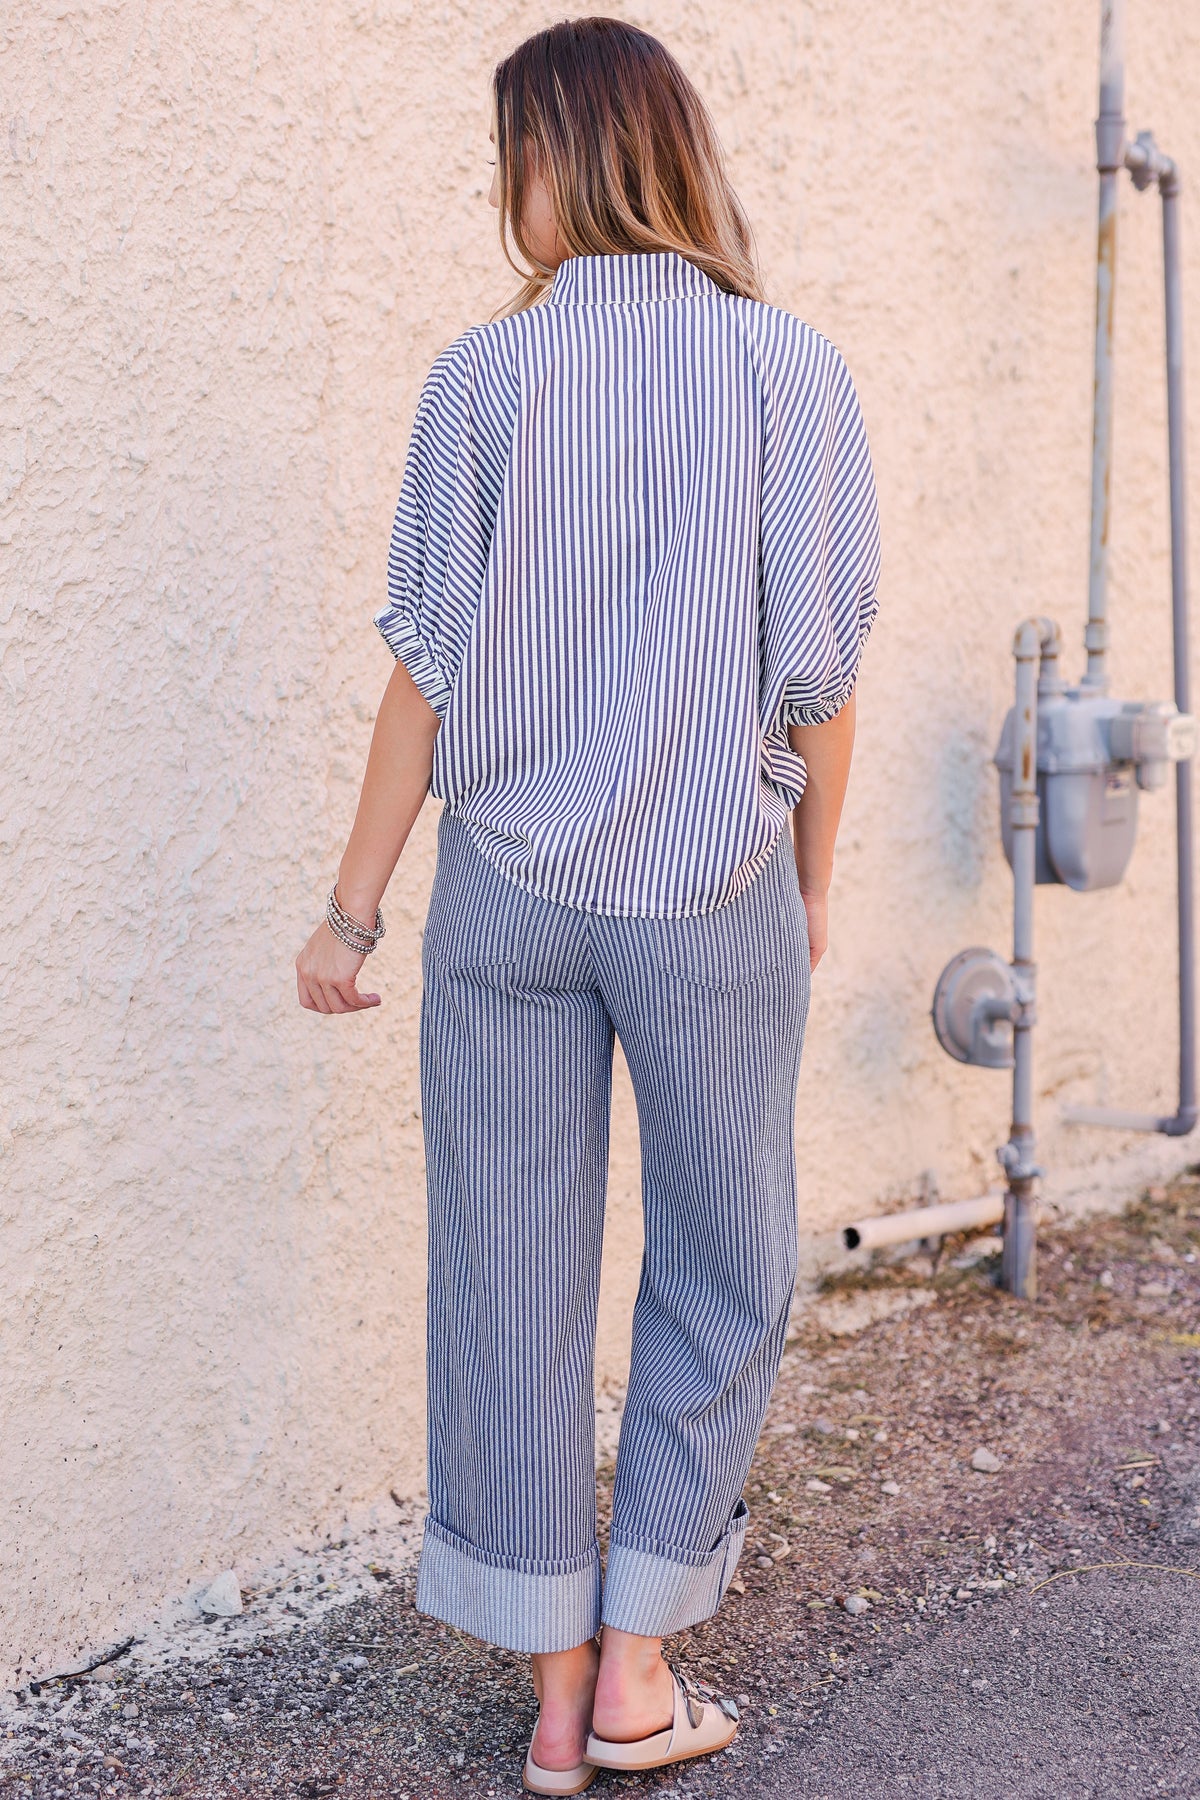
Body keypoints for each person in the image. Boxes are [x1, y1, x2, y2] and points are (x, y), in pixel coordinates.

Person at [296, 15, 881, 1794]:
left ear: (563, 161)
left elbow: (427, 672)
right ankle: (636, 1670)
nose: (507, 198)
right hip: (711, 884)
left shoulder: (481, 378)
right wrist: (810, 885)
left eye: (514, 160)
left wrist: (352, 913)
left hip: (508, 893)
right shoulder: (789, 370)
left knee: (507, 1275)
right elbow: (821, 678)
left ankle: (555, 1697)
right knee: (721, 1259)